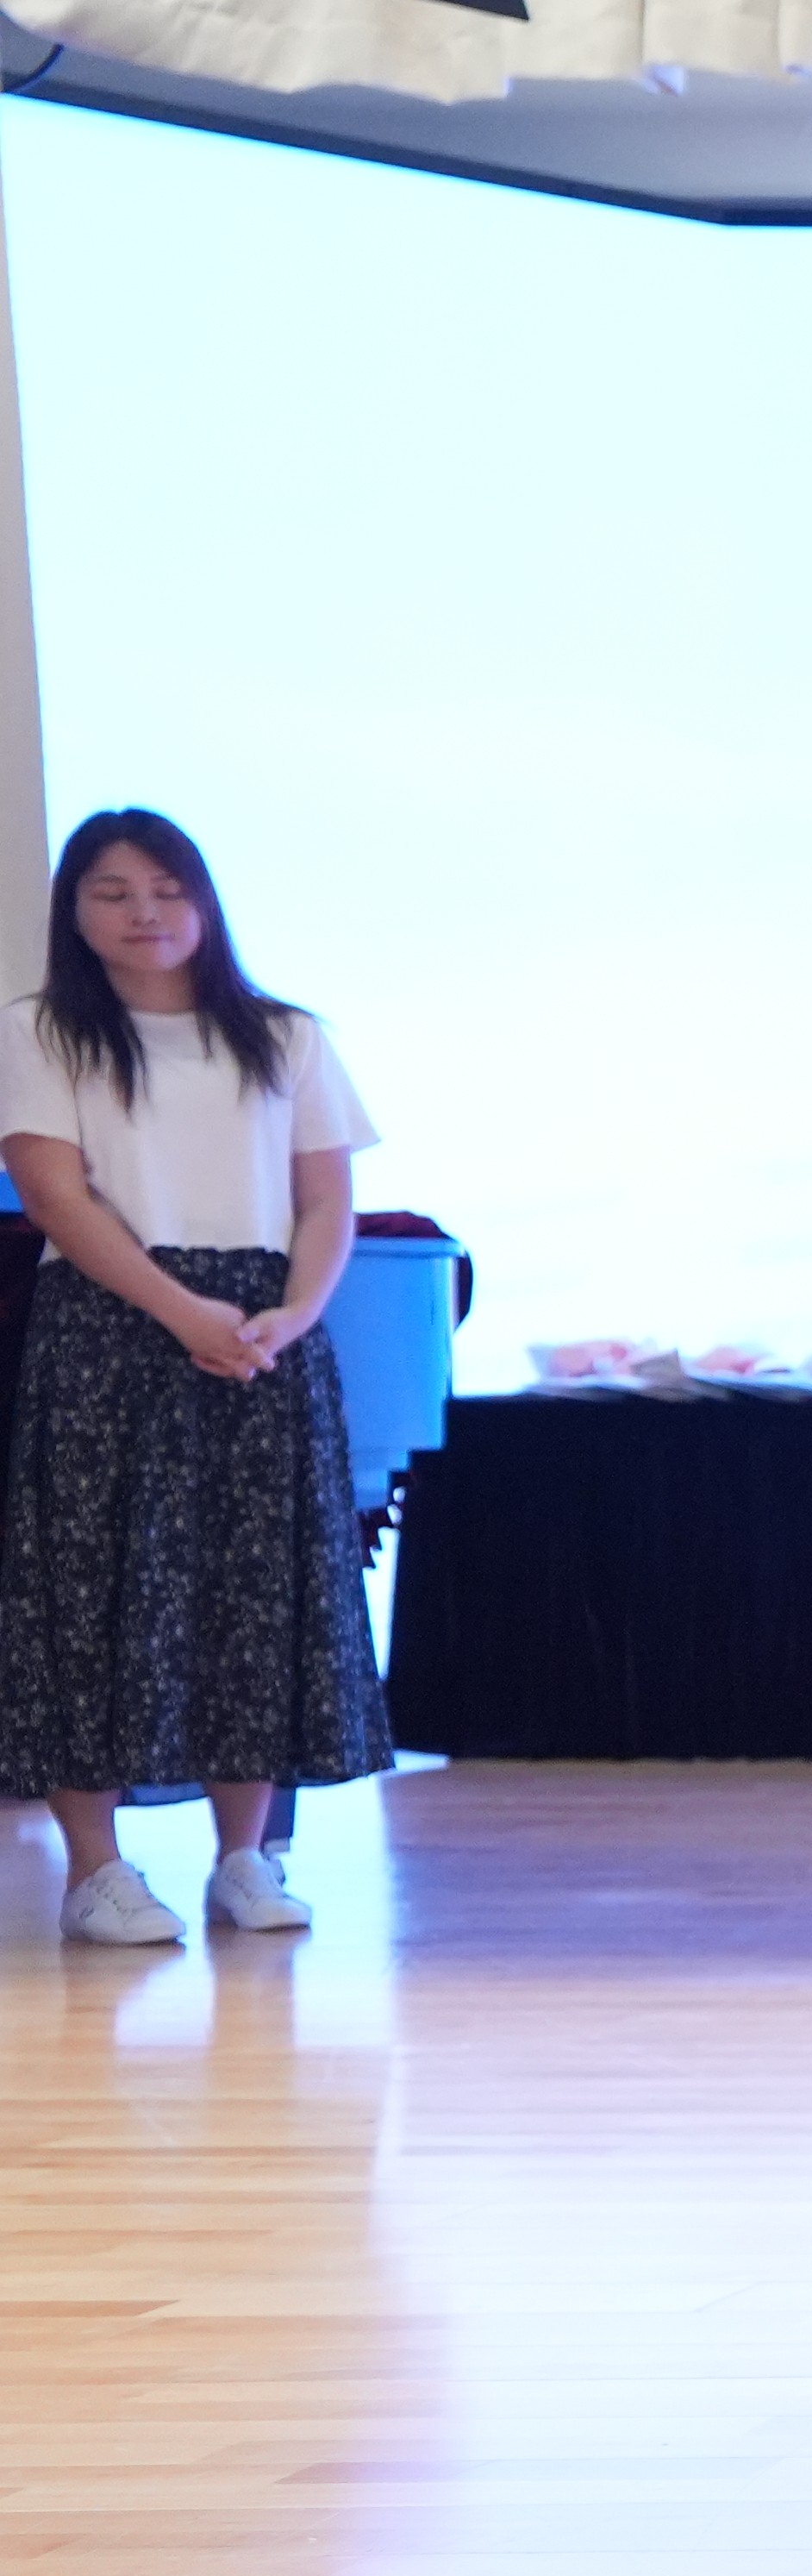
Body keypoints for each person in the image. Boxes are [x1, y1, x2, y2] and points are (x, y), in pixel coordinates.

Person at [0, 812, 388, 1942]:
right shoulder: (41, 1031)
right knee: (89, 1591)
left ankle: (244, 1859)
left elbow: (327, 1199)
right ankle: (97, 1870)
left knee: (253, 1590)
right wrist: (180, 1312)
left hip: (263, 1333)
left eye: (168, 890)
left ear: (205, 903)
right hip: (111, 1324)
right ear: (75, 912)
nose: (145, 913)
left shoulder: (286, 1035)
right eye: (113, 892)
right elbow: (56, 1196)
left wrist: (289, 1318)